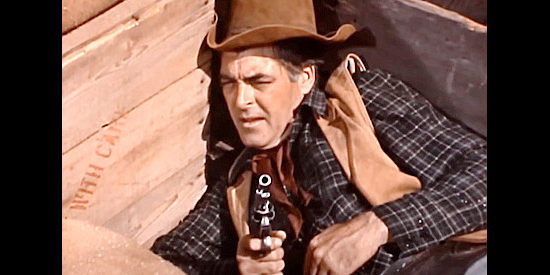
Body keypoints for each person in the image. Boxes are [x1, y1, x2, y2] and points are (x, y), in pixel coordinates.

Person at [150, 0, 487, 274]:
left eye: (259, 82)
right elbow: (167, 259)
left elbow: (482, 173)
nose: (241, 102)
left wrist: (378, 226)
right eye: (229, 83)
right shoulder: (241, 177)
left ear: (305, 79)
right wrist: (239, 270)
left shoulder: (358, 100)